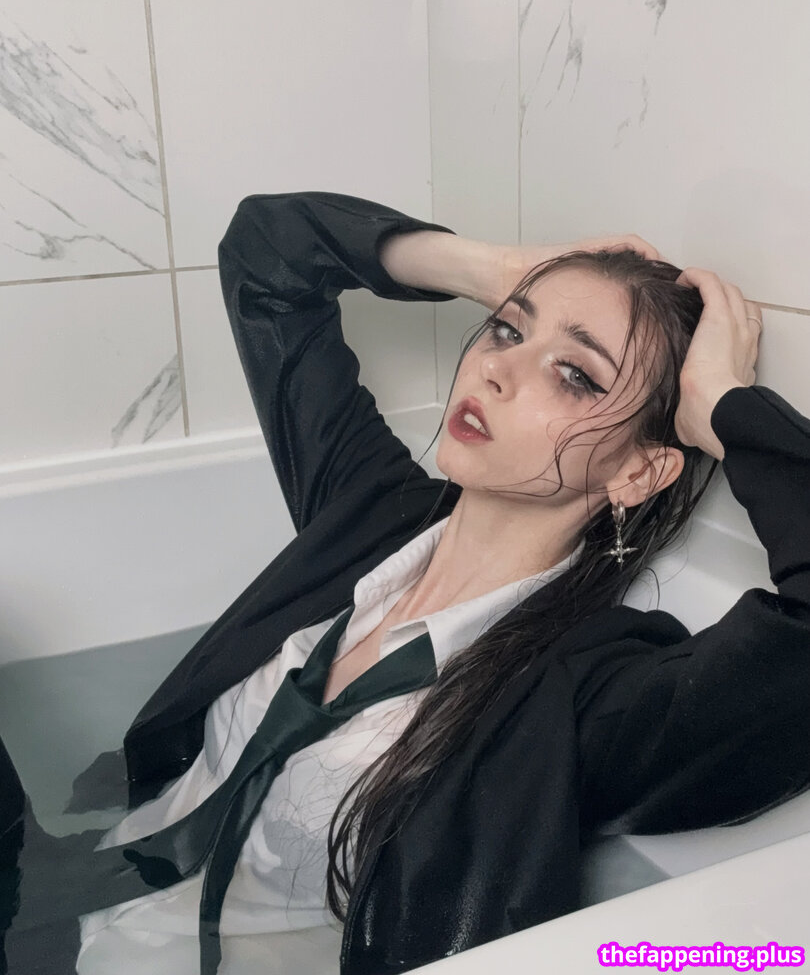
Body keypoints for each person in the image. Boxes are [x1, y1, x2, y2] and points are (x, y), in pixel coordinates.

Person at [2, 190, 810, 975]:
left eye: (574, 374)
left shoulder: (583, 702)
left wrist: (726, 409)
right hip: (66, 900)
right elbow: (266, 251)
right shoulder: (369, 513)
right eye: (507, 329)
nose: (496, 368)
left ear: (639, 471)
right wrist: (492, 271)